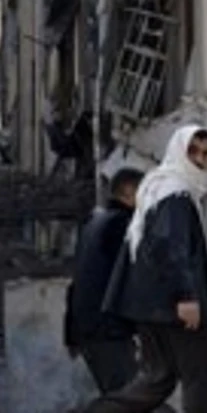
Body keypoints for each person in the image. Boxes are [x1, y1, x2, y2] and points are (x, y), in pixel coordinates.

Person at [88, 126, 207, 413]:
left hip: (151, 305)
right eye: (193, 152)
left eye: (206, 153)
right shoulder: (177, 194)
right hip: (174, 304)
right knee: (203, 376)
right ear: (178, 151)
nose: (199, 160)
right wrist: (186, 296)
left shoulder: (158, 187)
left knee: (157, 379)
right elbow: (170, 246)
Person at [65, 167, 145, 394]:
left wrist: (72, 335)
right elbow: (133, 280)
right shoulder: (121, 225)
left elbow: (77, 282)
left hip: (90, 331)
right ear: (130, 192)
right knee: (129, 398)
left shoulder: (94, 223)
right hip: (108, 331)